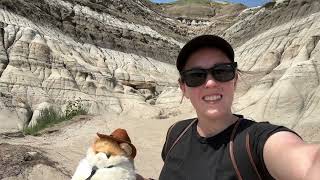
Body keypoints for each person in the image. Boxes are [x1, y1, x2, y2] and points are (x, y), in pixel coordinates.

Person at [137, 35, 320, 180]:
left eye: (222, 72)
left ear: (235, 79)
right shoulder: (176, 133)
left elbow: (309, 162)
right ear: (183, 87)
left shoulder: (255, 143)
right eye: (196, 76)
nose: (210, 83)